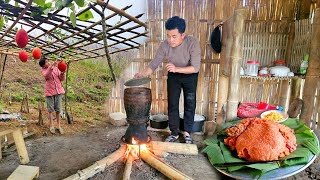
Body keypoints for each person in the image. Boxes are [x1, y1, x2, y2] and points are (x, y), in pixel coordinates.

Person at [134, 16, 201, 144]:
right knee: (172, 104)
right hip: (173, 75)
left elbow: (195, 68)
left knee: (190, 103)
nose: (170, 40)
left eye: (174, 36)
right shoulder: (165, 45)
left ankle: (187, 132)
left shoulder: (192, 43)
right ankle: (174, 132)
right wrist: (142, 74)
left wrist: (176, 69)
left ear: (183, 35)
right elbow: (154, 64)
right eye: (168, 36)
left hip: (190, 75)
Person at [39, 57, 66, 134]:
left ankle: (58, 126)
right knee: (50, 110)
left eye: (48, 61)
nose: (48, 63)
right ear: (43, 66)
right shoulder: (44, 70)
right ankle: (51, 126)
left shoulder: (55, 68)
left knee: (58, 109)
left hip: (58, 90)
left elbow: (61, 79)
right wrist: (51, 67)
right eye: (46, 62)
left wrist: (62, 73)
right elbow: (47, 75)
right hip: (49, 92)